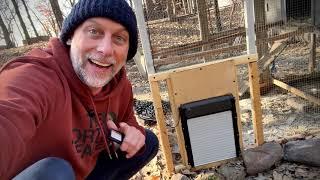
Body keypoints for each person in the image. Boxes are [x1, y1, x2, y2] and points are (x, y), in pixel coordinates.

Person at [0, 0, 159, 179]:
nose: (106, 49)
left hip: (86, 170)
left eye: (119, 38)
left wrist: (133, 133)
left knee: (148, 141)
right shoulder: (36, 76)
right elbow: (8, 114)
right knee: (54, 171)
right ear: (70, 37)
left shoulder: (119, 84)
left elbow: (127, 120)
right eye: (94, 32)